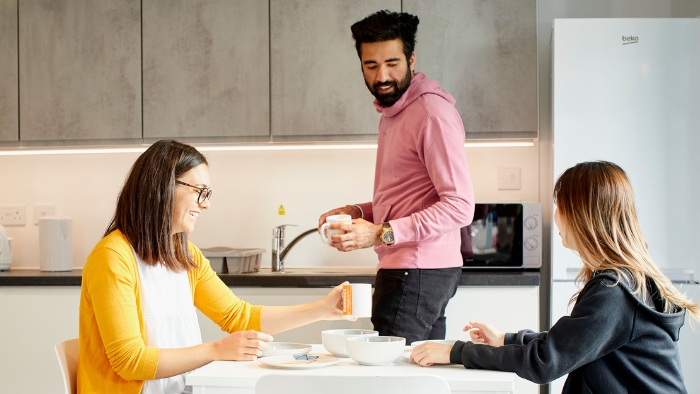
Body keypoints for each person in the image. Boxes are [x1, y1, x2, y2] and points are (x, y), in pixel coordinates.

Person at [79, 140, 347, 394]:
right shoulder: (113, 257)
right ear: (161, 187)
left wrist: (322, 309)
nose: (206, 204)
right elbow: (130, 361)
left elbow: (238, 316)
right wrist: (217, 350)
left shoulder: (183, 254)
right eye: (200, 191)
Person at [410, 161, 700, 393]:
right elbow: (570, 343)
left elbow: (546, 362)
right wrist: (505, 339)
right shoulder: (622, 281)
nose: (556, 215)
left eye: (561, 205)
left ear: (583, 215)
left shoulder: (613, 292)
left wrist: (458, 352)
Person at [317, 10, 475, 345]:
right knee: (417, 376)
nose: (382, 75)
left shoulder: (431, 114)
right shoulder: (395, 113)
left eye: (392, 62)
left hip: (415, 270)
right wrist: (359, 212)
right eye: (371, 66)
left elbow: (460, 206)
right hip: (414, 269)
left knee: (391, 381)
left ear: (411, 58)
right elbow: (408, 195)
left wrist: (380, 233)